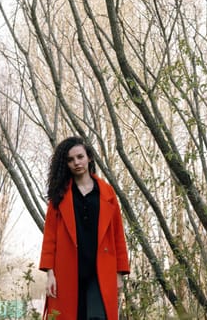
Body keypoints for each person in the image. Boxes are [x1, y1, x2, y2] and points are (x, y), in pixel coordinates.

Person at [39, 136, 130, 320]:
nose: (76, 163)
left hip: (101, 269)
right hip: (67, 270)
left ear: (89, 157)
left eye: (80, 157)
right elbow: (50, 236)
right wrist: (50, 273)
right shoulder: (59, 195)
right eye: (71, 160)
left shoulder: (107, 193)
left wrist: (119, 273)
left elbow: (118, 234)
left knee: (99, 316)